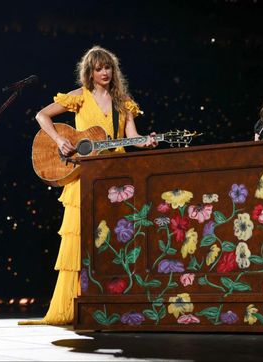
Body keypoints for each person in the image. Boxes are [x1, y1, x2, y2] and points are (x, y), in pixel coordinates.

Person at [19, 45, 158, 325]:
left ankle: (111, 304)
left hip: (116, 179)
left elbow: (132, 137)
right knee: (80, 240)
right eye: (98, 68)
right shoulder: (78, 97)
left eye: (108, 67)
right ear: (90, 72)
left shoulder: (124, 101)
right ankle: (73, 305)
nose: (104, 72)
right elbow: (41, 116)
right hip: (85, 175)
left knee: (115, 240)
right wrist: (60, 140)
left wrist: (147, 140)